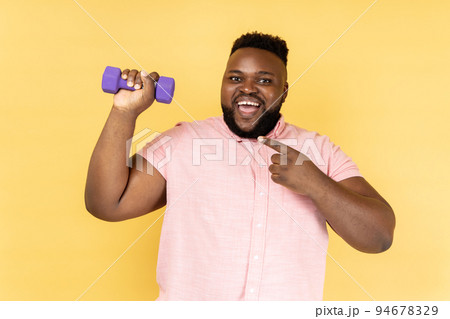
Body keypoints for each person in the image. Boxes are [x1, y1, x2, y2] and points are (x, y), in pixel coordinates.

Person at [85, 31, 395, 301]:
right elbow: (106, 205)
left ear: (284, 91)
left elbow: (379, 237)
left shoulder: (320, 150)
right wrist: (124, 113)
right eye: (236, 78)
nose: (247, 88)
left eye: (264, 80)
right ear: (222, 84)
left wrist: (316, 183)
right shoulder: (182, 142)